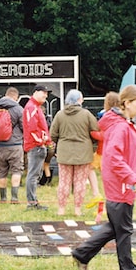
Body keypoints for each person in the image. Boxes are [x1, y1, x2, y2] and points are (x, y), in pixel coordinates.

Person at [72, 85, 136, 270]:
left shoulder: (124, 124)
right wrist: (133, 179)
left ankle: (82, 253)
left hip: (123, 185)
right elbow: (114, 158)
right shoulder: (120, 127)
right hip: (121, 186)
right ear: (127, 103)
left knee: (117, 228)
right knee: (123, 230)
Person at [50, 89, 99, 217]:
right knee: (80, 182)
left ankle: (61, 209)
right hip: (83, 153)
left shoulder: (60, 114)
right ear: (79, 100)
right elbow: (95, 131)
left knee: (64, 182)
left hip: (64, 153)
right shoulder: (87, 114)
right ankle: (77, 209)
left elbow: (53, 134)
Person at [0, 87, 25, 204]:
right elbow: (24, 127)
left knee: (1, 172)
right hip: (15, 145)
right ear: (16, 97)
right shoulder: (19, 109)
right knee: (16, 171)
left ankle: (3, 198)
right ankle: (14, 198)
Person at [22, 85, 53, 210]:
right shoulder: (31, 107)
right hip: (36, 145)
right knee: (33, 175)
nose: (46, 96)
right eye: (43, 93)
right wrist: (41, 140)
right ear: (35, 92)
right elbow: (31, 128)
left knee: (35, 174)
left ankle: (33, 201)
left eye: (47, 93)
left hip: (39, 144)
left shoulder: (36, 107)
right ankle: (32, 202)